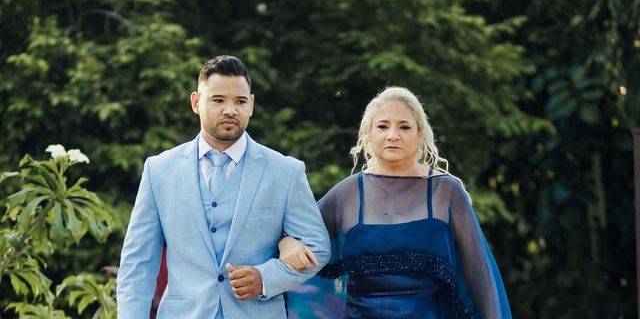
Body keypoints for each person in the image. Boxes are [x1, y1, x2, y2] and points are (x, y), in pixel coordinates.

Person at [117, 55, 330, 319]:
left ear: (251, 105)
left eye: (240, 101)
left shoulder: (285, 171)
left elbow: (318, 247)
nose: (230, 110)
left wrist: (265, 278)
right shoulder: (160, 170)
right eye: (218, 100)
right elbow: (138, 263)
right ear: (196, 102)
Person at [279, 86, 512, 318]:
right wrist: (286, 242)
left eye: (404, 126)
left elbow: (479, 276)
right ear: (368, 134)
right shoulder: (346, 194)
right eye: (382, 126)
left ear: (420, 134)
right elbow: (296, 233)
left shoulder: (447, 191)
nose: (393, 135)